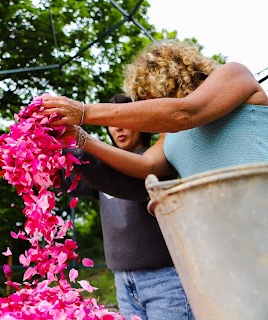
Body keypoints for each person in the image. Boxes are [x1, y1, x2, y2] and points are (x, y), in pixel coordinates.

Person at [41, 39, 268, 180]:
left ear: (164, 78)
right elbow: (145, 165)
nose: (144, 104)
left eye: (145, 95)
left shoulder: (234, 74)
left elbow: (183, 114)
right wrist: (83, 138)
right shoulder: (169, 136)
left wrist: (84, 112)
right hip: (220, 234)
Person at [60, 93, 193, 320]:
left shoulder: (158, 161)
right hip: (123, 281)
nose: (118, 129)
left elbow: (132, 180)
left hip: (166, 280)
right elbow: (70, 179)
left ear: (142, 123)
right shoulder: (104, 171)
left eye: (125, 122)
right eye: (111, 124)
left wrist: (80, 143)